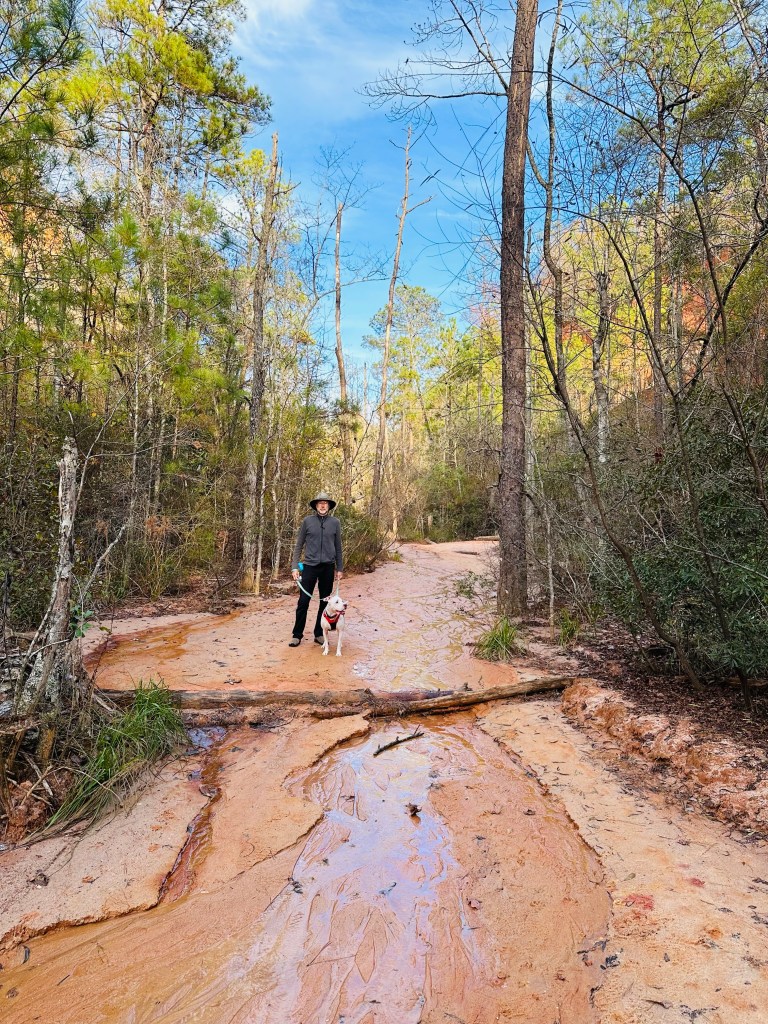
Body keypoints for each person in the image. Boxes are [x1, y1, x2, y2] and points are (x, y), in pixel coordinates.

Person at [289, 491, 343, 646]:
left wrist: (339, 568)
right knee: (303, 601)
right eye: (320, 503)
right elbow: (299, 545)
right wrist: (294, 567)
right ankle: (297, 634)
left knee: (325, 603)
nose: (323, 505)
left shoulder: (335, 523)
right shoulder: (307, 521)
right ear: (316, 506)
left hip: (328, 567)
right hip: (310, 566)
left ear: (329, 506)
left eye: (325, 503)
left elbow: (338, 547)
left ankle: (319, 633)